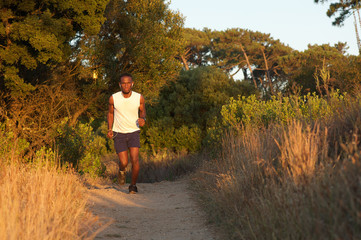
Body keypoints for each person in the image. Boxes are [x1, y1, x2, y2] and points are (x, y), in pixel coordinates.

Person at [107, 73, 146, 194]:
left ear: (132, 84)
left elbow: (143, 111)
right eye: (123, 83)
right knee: (124, 162)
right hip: (119, 133)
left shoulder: (138, 97)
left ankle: (133, 186)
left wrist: (143, 119)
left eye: (128, 83)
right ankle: (121, 170)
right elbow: (110, 113)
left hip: (134, 131)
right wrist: (109, 129)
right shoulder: (114, 98)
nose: (126, 85)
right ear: (120, 85)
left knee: (135, 160)